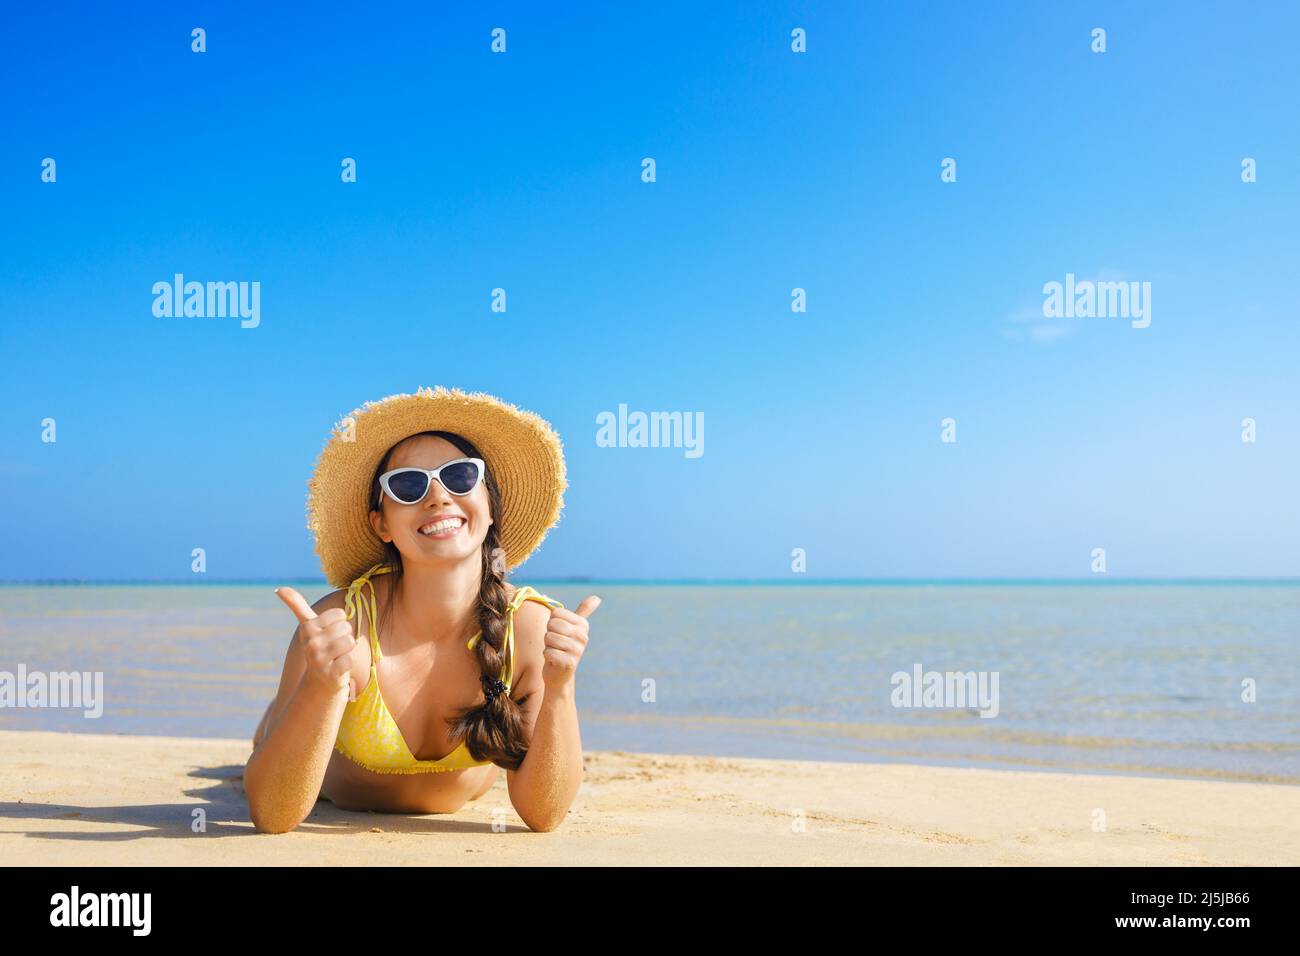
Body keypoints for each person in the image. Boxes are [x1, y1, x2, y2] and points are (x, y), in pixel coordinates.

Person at [245, 386, 600, 834]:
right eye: (409, 485)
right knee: (269, 734)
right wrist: (317, 687)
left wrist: (561, 685)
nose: (438, 497)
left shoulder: (528, 629)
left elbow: (543, 815)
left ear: (490, 506)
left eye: (460, 477)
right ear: (382, 523)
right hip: (332, 781)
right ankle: (272, 715)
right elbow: (272, 815)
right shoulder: (344, 628)